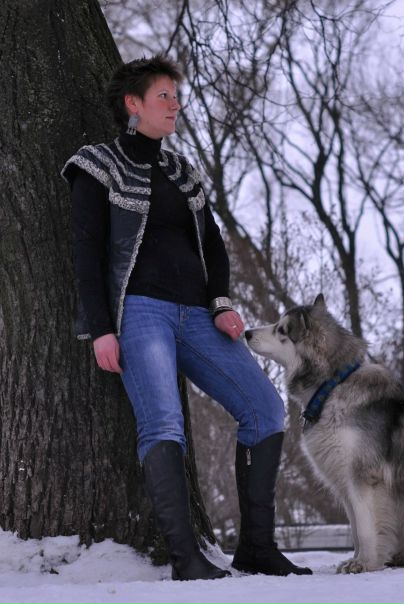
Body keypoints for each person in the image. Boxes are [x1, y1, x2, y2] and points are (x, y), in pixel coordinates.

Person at [61, 55, 312, 581]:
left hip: (198, 315)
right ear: (133, 104)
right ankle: (186, 560)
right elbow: (85, 252)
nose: (175, 105)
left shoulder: (182, 172)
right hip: (139, 313)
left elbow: (213, 246)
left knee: (265, 410)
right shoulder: (96, 165)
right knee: (163, 422)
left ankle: (257, 548)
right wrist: (101, 329)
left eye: (176, 96)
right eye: (164, 96)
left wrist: (221, 302)